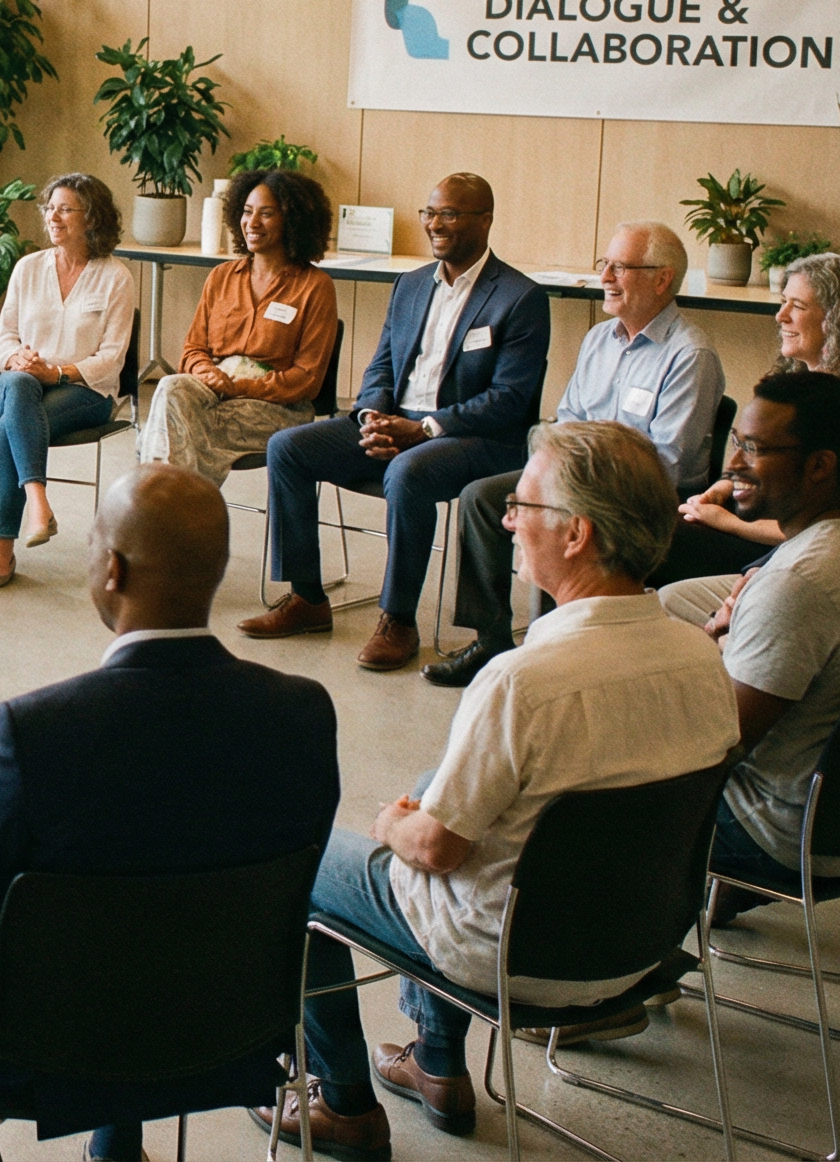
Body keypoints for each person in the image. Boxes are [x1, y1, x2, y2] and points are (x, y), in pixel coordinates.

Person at [255, 422, 737, 1157]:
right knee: (438, 786)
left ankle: (343, 1103)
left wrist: (391, 825)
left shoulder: (521, 683)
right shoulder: (702, 657)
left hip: (514, 955)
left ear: (576, 533)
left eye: (523, 505)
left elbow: (440, 848)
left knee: (293, 860)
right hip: (638, 942)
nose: (507, 518)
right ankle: (438, 1064)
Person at [0, 465, 337, 1162]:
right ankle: (116, 1147)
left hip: (45, 1052)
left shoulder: (36, 731)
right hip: (230, 1031)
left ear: (113, 570)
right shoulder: (301, 714)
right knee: (162, 900)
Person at [242, 174, 551, 671]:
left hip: (476, 438)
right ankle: (307, 598)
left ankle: (398, 620)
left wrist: (424, 429)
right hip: (397, 420)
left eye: (449, 214)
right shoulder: (409, 285)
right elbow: (382, 365)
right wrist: (371, 415)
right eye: (430, 213)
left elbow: (509, 399)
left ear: (485, 220)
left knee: (408, 473)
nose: (434, 224)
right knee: (288, 447)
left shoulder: (519, 297)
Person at [654, 372, 840, 922]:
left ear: (820, 465)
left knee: (567, 797)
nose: (733, 466)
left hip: (780, 831)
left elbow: (716, 748)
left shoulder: (799, 585)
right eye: (737, 443)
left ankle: (616, 972)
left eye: (754, 450)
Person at [431, 221, 722, 686]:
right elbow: (567, 420)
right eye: (603, 264)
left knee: (559, 514)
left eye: (620, 267)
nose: (605, 276)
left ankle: (560, 647)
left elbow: (664, 463)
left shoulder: (690, 354)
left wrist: (573, 483)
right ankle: (491, 639)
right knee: (482, 498)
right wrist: (556, 472)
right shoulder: (597, 340)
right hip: (577, 481)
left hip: (642, 498)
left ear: (662, 279)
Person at [651, 250, 840, 587]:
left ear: (838, 319)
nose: (780, 316)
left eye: (797, 306)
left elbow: (829, 526)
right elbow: (752, 457)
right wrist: (721, 488)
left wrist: (724, 520)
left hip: (784, 553)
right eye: (783, 301)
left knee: (643, 547)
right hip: (749, 519)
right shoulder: (790, 385)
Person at [0, 173, 137, 591]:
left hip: (85, 391)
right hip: (20, 380)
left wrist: (58, 372)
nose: (53, 217)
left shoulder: (115, 276)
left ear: (92, 218)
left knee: (14, 424)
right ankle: (38, 502)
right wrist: (19, 357)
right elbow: (5, 334)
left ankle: (3, 544)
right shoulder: (28, 267)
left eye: (65, 209)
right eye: (50, 208)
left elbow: (112, 357)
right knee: (19, 391)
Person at [135, 168, 340, 486]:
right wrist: (208, 373)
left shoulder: (315, 286)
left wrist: (240, 387)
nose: (252, 223)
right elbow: (192, 350)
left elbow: (308, 380)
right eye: (246, 212)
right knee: (172, 389)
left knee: (171, 426)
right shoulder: (221, 277)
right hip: (211, 393)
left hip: (276, 408)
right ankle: (179, 518)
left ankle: (161, 514)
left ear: (293, 220)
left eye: (266, 214)